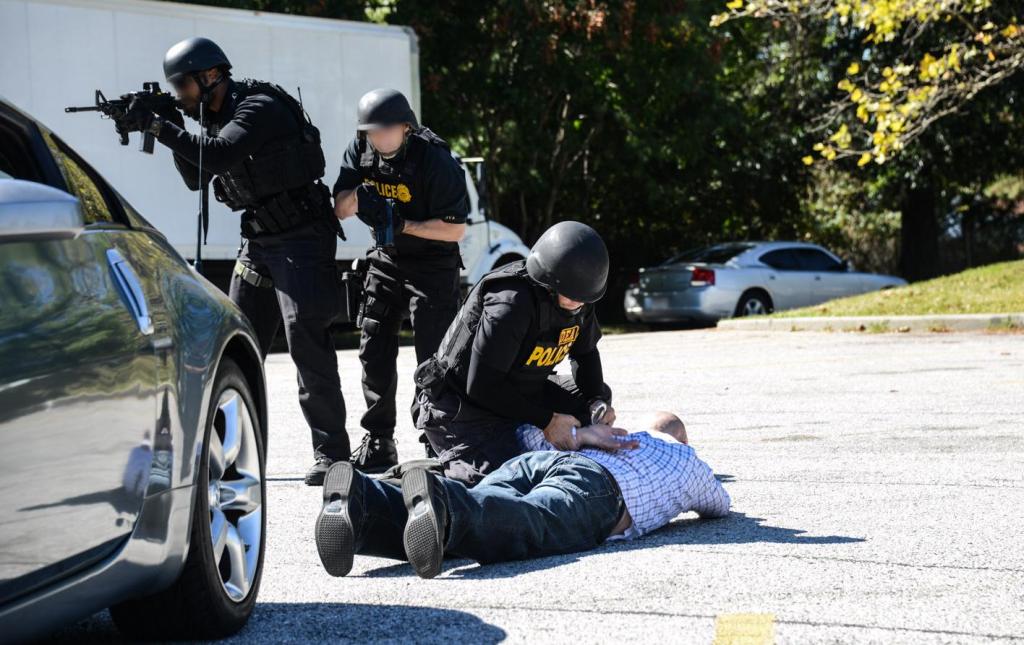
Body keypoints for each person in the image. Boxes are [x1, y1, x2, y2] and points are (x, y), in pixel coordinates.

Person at [120, 37, 349, 485]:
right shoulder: (212, 117)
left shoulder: (258, 106)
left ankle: (333, 455)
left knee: (306, 342)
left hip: (301, 237)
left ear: (211, 76)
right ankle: (226, 457)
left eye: (184, 86)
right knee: (233, 344)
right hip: (260, 240)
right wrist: (167, 124)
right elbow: (197, 176)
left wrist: (160, 126)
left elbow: (220, 155)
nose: (181, 96)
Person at [313, 412, 730, 579]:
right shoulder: (685, 459)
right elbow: (719, 506)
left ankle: (364, 503)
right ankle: (443, 505)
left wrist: (582, 433)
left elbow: (530, 436)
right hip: (597, 488)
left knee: (484, 514)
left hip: (542, 461)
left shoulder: (617, 435)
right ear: (683, 439)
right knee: (532, 520)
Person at [414, 220, 616, 485]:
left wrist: (597, 401)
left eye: (583, 297)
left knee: (590, 401)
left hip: (517, 389)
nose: (577, 302)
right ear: (549, 280)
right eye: (570, 295)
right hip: (461, 404)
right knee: (504, 484)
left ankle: (520, 434)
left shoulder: (579, 299)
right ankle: (440, 464)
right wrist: (548, 421)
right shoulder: (511, 302)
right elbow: (481, 386)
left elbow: (586, 354)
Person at [332, 88, 470, 474]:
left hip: (433, 264)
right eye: (372, 131)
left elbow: (455, 230)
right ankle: (379, 440)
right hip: (386, 258)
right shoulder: (361, 152)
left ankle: (436, 439)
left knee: (434, 356)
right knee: (373, 347)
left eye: (387, 129)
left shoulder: (434, 159)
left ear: (406, 126)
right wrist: (361, 197)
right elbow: (340, 207)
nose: (379, 138)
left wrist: (403, 223)